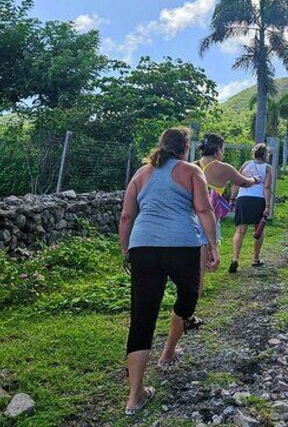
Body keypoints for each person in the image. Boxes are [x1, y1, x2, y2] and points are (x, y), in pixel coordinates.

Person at [119, 127, 220, 416]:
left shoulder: (140, 174)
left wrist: (126, 250)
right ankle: (167, 352)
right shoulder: (190, 170)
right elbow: (204, 211)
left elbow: (127, 216)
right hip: (182, 246)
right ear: (185, 147)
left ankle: (135, 395)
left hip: (143, 248)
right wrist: (212, 246)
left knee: (142, 317)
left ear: (161, 145)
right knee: (188, 296)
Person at [196, 133, 261, 289]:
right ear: (218, 149)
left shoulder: (192, 165)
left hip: (190, 216)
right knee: (199, 271)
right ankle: (189, 309)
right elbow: (244, 183)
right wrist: (255, 180)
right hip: (207, 219)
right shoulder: (224, 168)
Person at [229, 143, 273, 273]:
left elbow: (237, 182)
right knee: (258, 230)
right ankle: (255, 259)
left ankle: (235, 258)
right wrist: (267, 206)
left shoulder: (245, 165)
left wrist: (232, 198)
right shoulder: (267, 168)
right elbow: (266, 187)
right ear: (265, 155)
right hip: (258, 199)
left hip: (243, 198)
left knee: (240, 231)